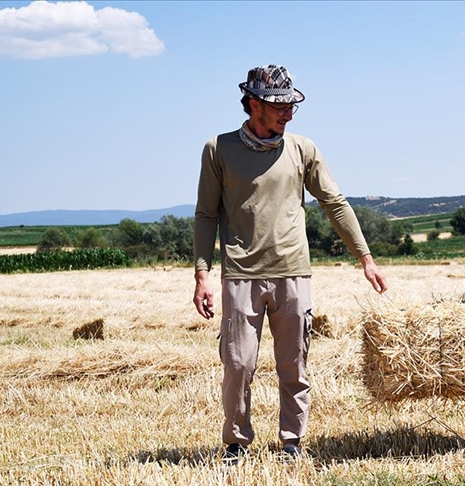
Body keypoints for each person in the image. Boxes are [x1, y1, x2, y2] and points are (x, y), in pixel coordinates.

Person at [193, 64, 388, 461]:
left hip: (293, 273)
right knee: (238, 364)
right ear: (252, 104)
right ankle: (235, 443)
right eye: (278, 106)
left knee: (294, 365)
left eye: (289, 105)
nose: (287, 113)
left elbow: (335, 202)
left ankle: (292, 442)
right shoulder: (218, 149)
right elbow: (205, 214)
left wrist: (365, 258)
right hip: (241, 274)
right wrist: (202, 274)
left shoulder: (303, 149)